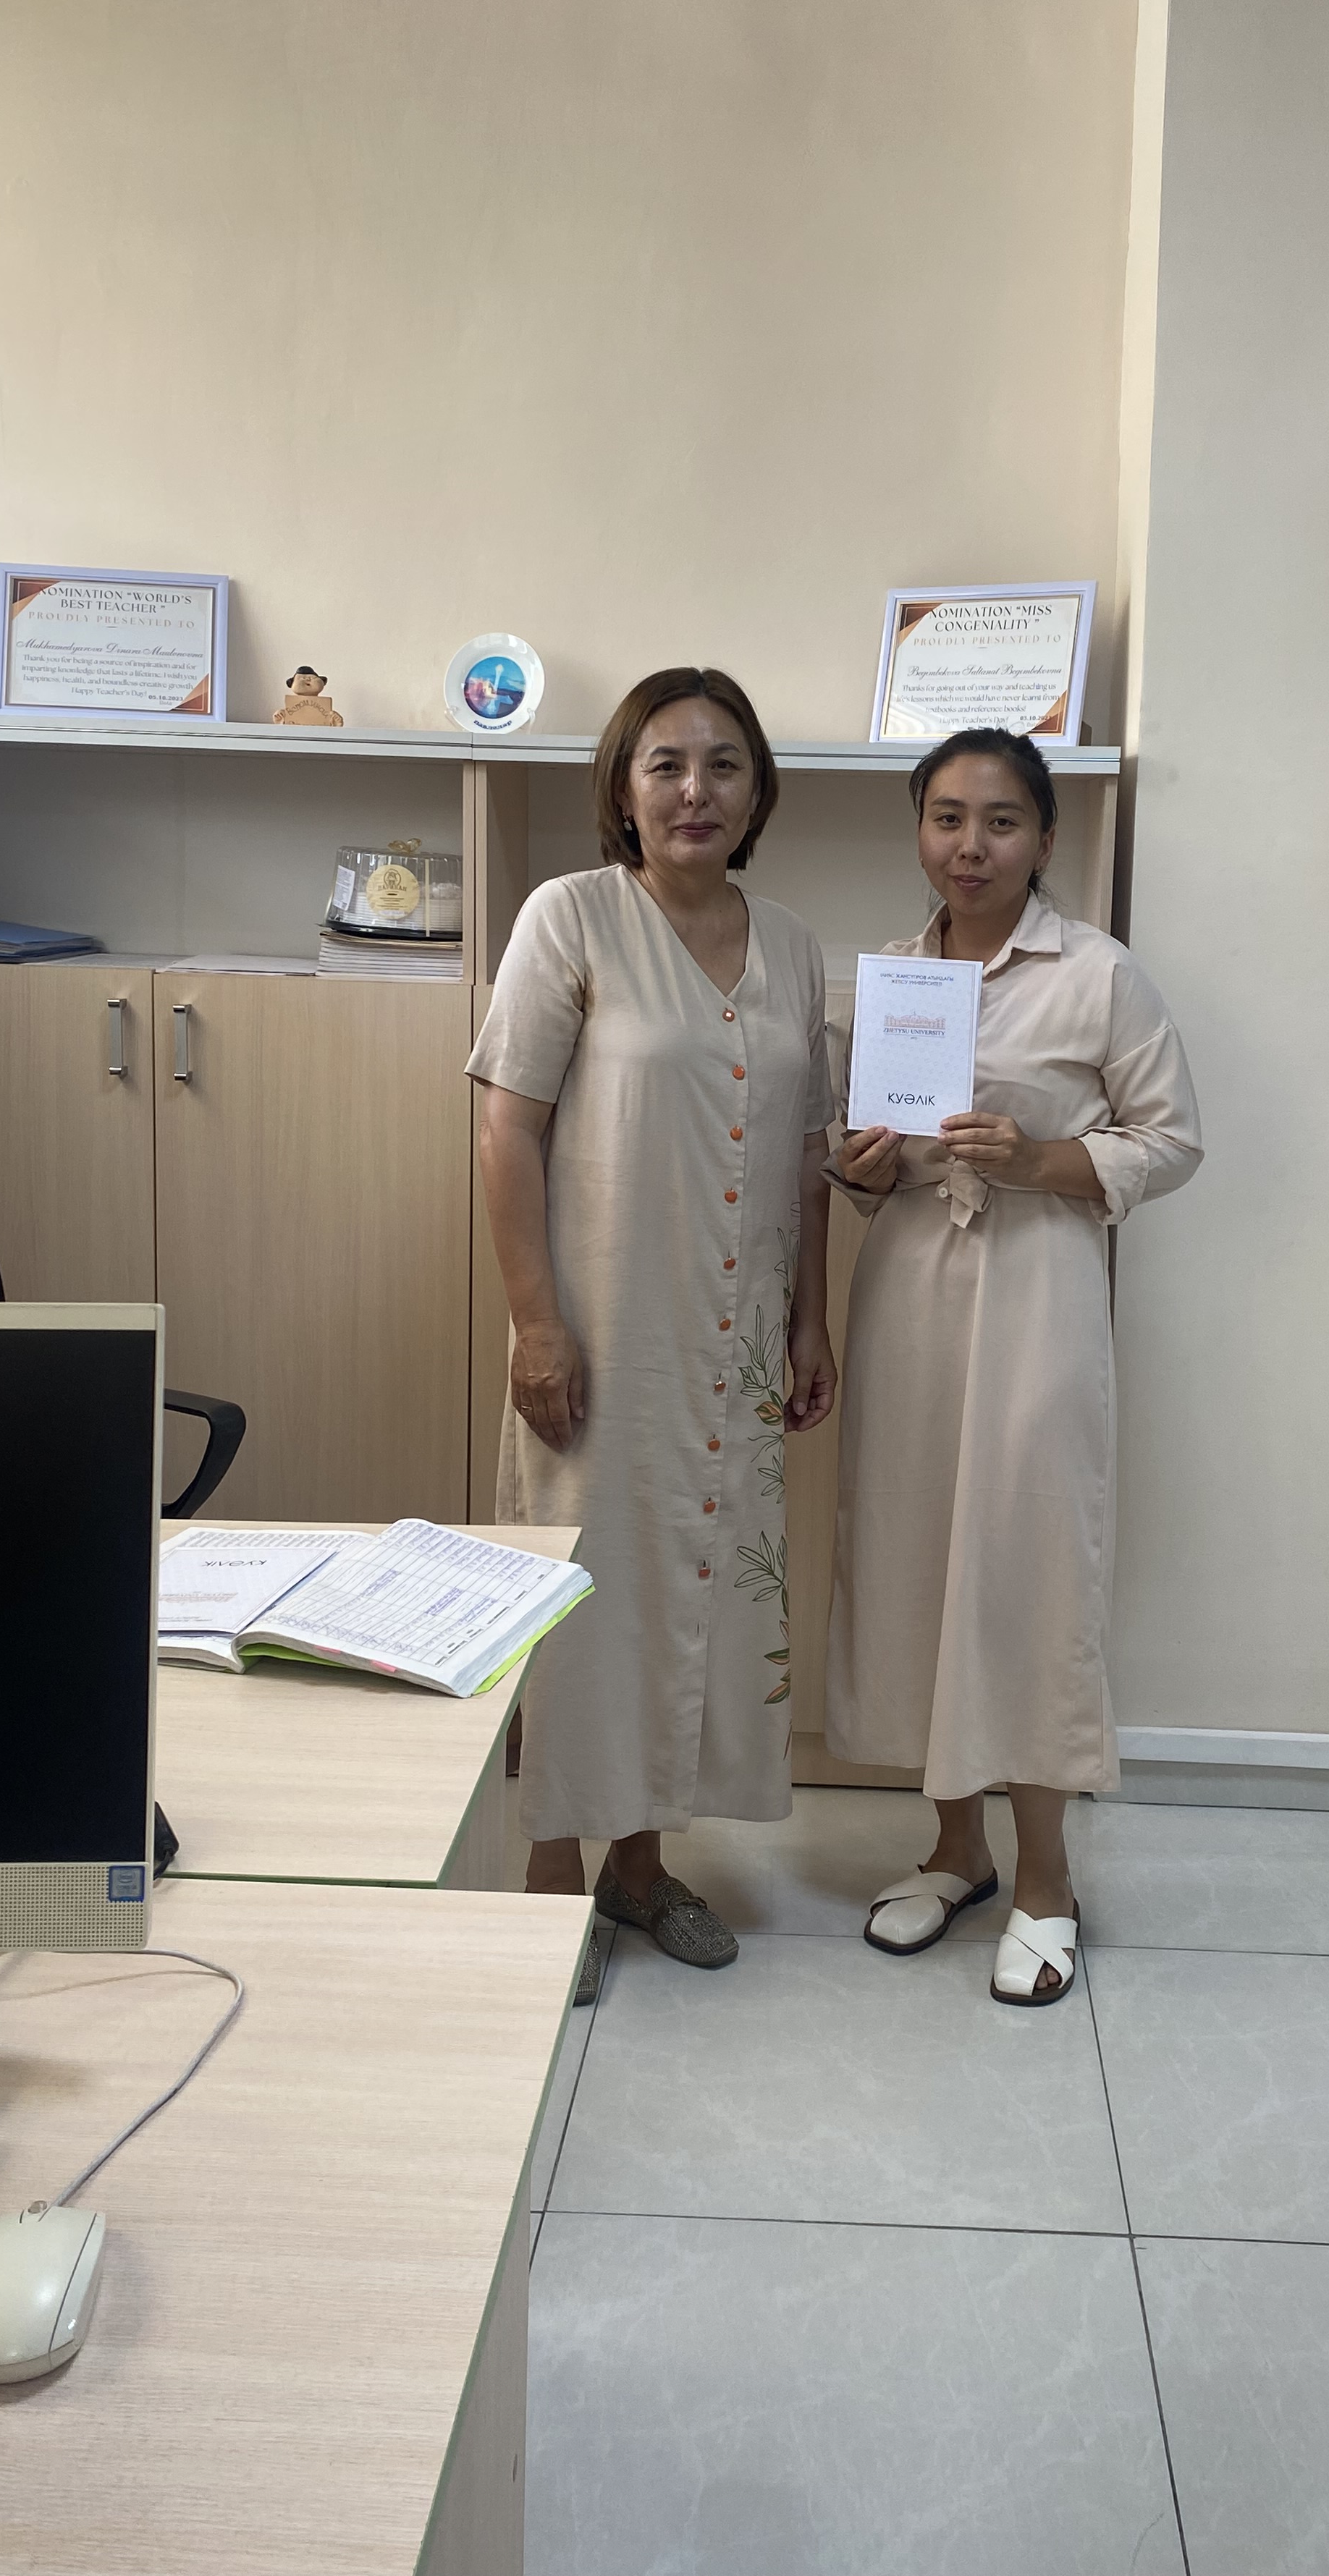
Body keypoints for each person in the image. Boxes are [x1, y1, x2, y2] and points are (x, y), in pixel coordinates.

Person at [468, 666, 836, 1997]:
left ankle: (640, 1867)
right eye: (666, 765)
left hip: (735, 1348)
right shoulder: (570, 917)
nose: (696, 790)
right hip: (607, 1330)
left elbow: (807, 1151)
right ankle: (548, 1877)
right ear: (623, 789)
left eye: (725, 765)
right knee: (587, 1593)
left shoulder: (792, 943)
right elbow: (507, 1127)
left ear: (758, 791)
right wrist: (536, 1324)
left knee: (698, 1594)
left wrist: (810, 1322)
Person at [827, 726, 1202, 2005]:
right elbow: (863, 1164)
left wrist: (1043, 1158)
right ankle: (955, 1850)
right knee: (917, 1556)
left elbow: (1173, 1141)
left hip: (1040, 1292)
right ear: (919, 831)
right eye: (946, 817)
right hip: (910, 1294)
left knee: (1030, 1563)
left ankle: (1047, 1878)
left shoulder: (1099, 974)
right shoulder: (893, 975)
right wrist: (858, 1165)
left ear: (1043, 837)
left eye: (999, 821)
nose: (970, 845)